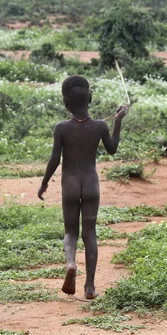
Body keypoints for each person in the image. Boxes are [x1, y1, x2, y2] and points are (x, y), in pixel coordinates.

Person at [38, 75, 128, 299]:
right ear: (89, 98)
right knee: (90, 234)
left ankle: (70, 263)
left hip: (69, 185)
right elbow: (113, 149)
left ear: (65, 102)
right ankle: (90, 286)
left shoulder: (61, 128)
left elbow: (54, 160)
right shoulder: (100, 126)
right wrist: (118, 121)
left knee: (70, 232)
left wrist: (44, 182)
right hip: (91, 185)